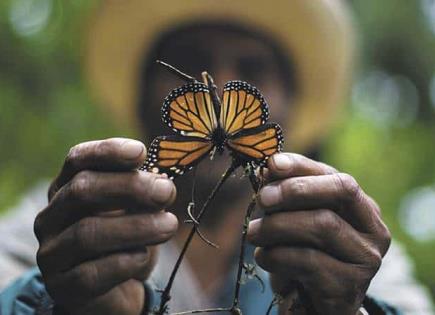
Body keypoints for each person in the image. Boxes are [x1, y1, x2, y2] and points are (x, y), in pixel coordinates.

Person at [0, 0, 434, 314]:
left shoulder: (343, 243)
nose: (221, 86)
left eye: (252, 68)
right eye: (191, 61)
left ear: (288, 108)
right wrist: (59, 302)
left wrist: (345, 308)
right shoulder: (59, 222)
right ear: (142, 99)